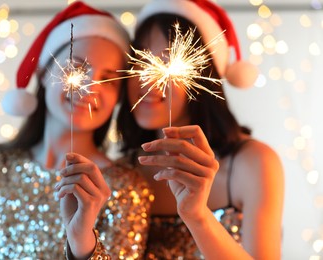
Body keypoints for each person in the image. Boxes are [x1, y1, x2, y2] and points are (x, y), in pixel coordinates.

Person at [0, 2, 152, 259]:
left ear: (117, 96)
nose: (90, 87)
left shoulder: (125, 187)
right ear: (44, 73)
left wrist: (83, 240)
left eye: (107, 78)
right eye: (78, 68)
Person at [116, 0, 285, 259]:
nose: (148, 77)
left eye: (169, 61)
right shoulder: (122, 173)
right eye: (141, 57)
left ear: (201, 75)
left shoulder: (253, 163)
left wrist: (198, 217)